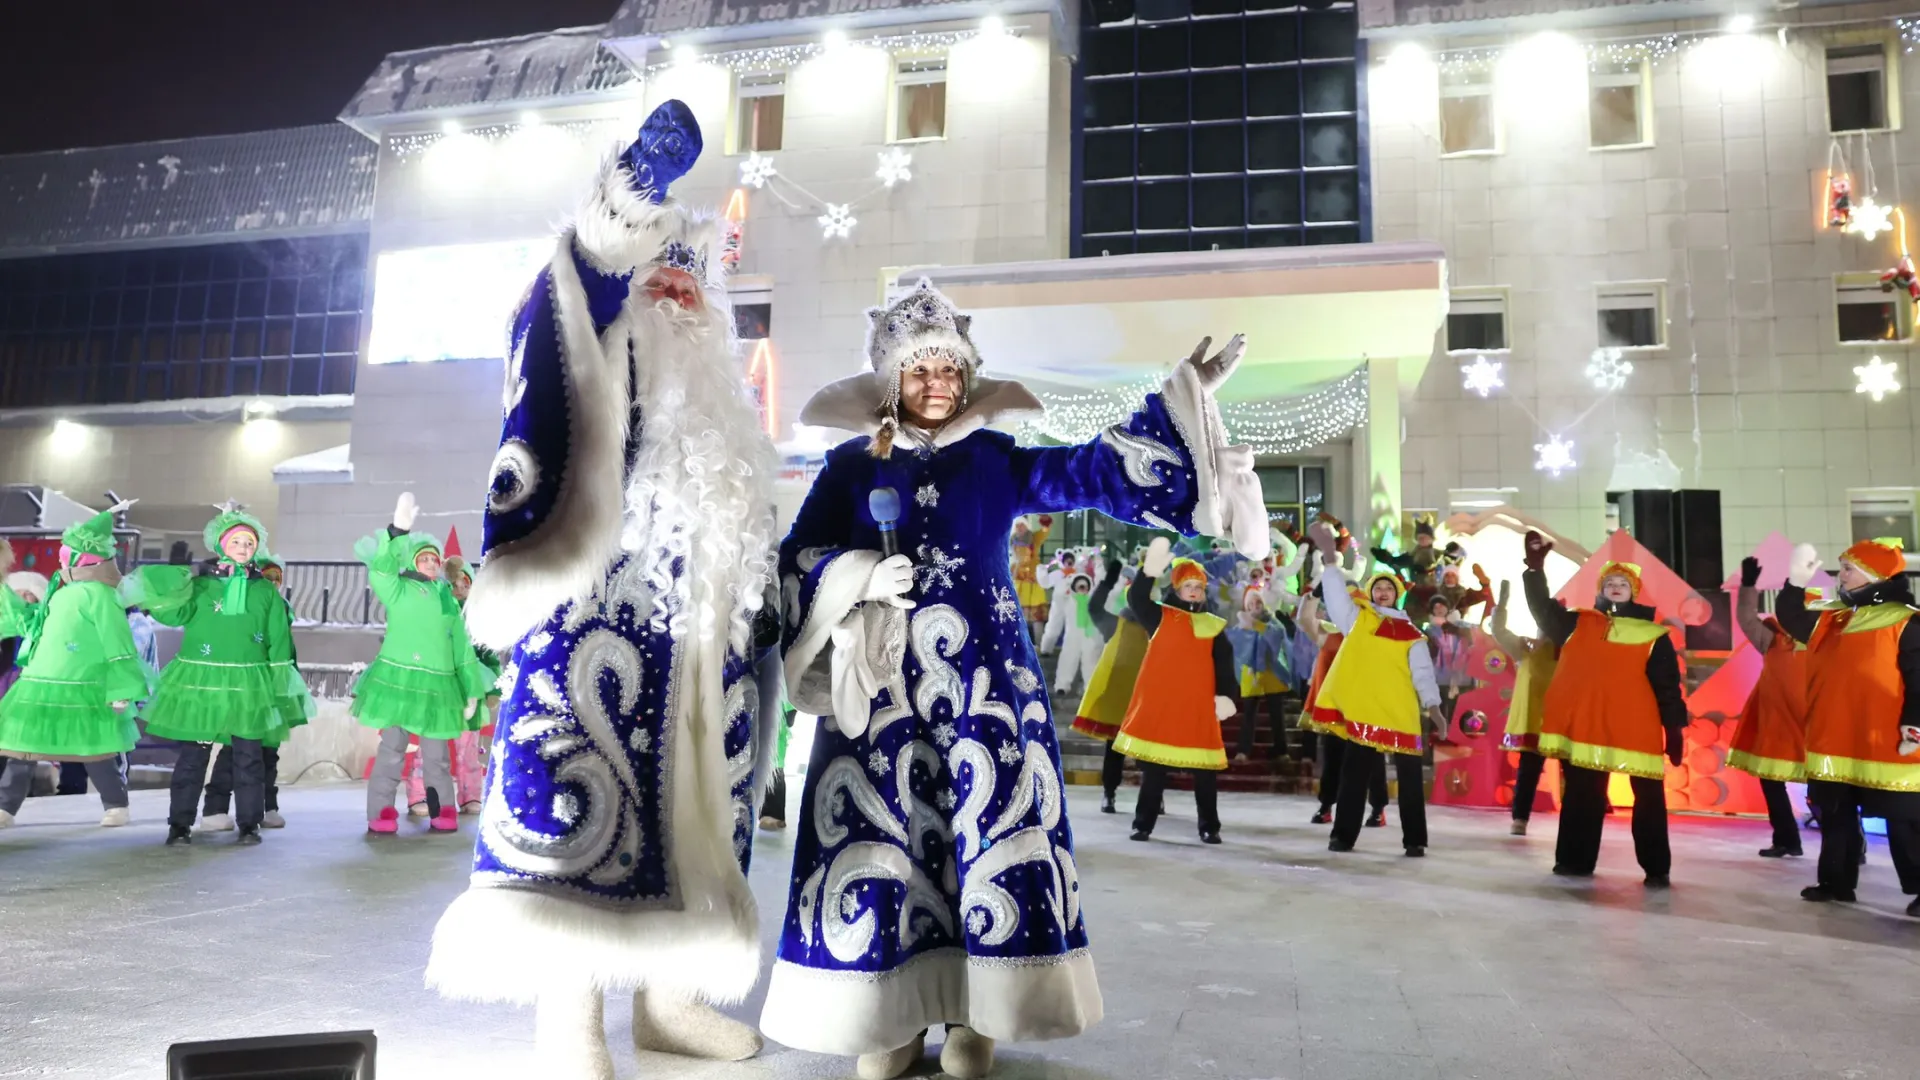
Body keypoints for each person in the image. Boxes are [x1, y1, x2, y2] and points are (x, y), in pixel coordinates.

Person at [765, 277, 1266, 1079]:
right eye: (919, 371)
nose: (936, 386)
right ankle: (887, 1011)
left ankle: (979, 1011)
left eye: (949, 371)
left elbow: (1094, 473)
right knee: (884, 834)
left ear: (967, 377)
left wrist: (1184, 402)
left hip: (986, 687)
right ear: (891, 379)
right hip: (883, 684)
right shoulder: (848, 466)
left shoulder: (995, 458)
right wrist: (858, 576)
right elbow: (795, 559)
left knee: (986, 831)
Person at [424, 100, 786, 1079]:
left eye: (692, 275)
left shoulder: (720, 395)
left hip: (702, 652)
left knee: (699, 824)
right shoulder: (591, 340)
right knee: (574, 816)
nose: (676, 286)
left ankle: (672, 1004)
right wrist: (629, 197)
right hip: (590, 623)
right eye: (659, 264)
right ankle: (568, 1019)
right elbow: (576, 273)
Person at [1521, 531, 1687, 886]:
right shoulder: (1576, 623)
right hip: (1588, 728)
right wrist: (1534, 571)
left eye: (1622, 583)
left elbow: (1668, 688)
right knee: (1583, 795)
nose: (1615, 586)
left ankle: (1657, 868)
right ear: (1599, 590)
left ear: (1634, 591)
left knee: (1648, 799)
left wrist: (1673, 729)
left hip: (1636, 727)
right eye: (1609, 582)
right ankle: (1574, 861)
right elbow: (1542, 609)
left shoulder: (1653, 635)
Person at [132, 506, 303, 846]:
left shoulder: (265, 591)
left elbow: (279, 639)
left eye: (249, 542)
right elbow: (172, 613)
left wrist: (281, 681)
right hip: (202, 682)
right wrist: (179, 575)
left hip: (248, 684)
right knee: (194, 756)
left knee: (248, 756)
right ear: (222, 545)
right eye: (236, 541)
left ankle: (250, 823)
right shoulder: (200, 586)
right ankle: (179, 825)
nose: (243, 546)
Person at [1771, 540, 1920, 914]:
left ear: (1874, 575)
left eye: (1848, 568)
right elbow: (1792, 618)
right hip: (1833, 735)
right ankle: (1835, 882)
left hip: (1885, 737)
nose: (1841, 575)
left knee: (1904, 817)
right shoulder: (1831, 617)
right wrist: (1794, 582)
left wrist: (1915, 727)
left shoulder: (1907, 620)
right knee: (1834, 811)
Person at [351, 494, 491, 835]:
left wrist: (472, 690)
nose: (430, 563)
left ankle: (442, 810)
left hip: (438, 687)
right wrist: (398, 531)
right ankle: (381, 811)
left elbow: (462, 650)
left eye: (435, 559)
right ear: (414, 561)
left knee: (437, 755)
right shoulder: (398, 589)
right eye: (424, 558)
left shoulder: (448, 602)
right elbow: (381, 569)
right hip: (400, 680)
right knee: (392, 749)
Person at [0, 505, 147, 829]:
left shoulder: (101, 595)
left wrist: (121, 686)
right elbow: (35, 625)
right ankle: (6, 807)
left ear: (84, 558)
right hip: (41, 680)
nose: (61, 559)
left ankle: (115, 804)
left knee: (95, 748)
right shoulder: (59, 591)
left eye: (68, 553)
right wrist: (8, 600)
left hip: (84, 682)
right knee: (22, 747)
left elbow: (117, 641)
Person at [1307, 521, 1445, 856]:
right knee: (1354, 777)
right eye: (1378, 588)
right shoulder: (1358, 619)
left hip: (1400, 711)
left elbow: (1423, 672)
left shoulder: (1411, 632)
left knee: (1410, 780)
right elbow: (1337, 596)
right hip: (1365, 710)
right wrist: (1329, 559)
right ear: (1370, 592)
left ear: (1398, 594)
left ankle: (1415, 840)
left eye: (1389, 588)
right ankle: (1343, 836)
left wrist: (1433, 706)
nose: (1382, 592)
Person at [1113, 539, 1237, 844]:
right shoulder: (1160, 617)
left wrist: (1227, 696)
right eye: (1188, 585)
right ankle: (1143, 824)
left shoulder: (1214, 626)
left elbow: (1224, 665)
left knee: (1205, 770)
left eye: (1199, 585)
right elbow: (1137, 598)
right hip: (1164, 705)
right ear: (1177, 589)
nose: (1194, 590)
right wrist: (1149, 571)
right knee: (1154, 771)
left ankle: (1210, 826)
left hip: (1197, 707)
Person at [199, 548, 309, 832]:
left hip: (274, 687)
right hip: (245, 686)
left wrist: (285, 681)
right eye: (266, 575)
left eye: (277, 577)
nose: (272, 582)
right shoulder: (244, 604)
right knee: (235, 749)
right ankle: (215, 808)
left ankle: (266, 806)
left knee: (268, 751)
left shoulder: (279, 605)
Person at [1726, 555, 1809, 859]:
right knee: (1771, 780)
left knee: (1828, 789)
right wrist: (1748, 585)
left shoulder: (1825, 639)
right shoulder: (1772, 638)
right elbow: (1747, 618)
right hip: (1776, 722)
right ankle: (1787, 839)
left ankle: (1853, 846)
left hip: (1814, 725)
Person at [403, 554, 496, 817]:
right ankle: (419, 794)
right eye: (454, 584)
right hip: (440, 687)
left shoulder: (477, 619)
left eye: (465, 583)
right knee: (431, 745)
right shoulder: (436, 613)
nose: (460, 589)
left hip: (470, 691)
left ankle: (470, 797)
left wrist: (493, 689)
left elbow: (488, 654)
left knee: (468, 748)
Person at [1297, 586, 1388, 827]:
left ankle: (1378, 808)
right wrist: (1314, 596)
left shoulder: (1375, 637)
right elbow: (1305, 619)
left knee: (1373, 762)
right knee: (1332, 758)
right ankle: (1326, 805)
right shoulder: (1329, 634)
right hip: (1335, 709)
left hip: (1366, 709)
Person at [1072, 558, 1148, 815]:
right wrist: (1108, 580)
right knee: (1114, 751)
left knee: (1147, 754)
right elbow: (1094, 607)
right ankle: (1109, 794)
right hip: (1118, 699)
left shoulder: (1155, 626)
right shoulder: (1116, 624)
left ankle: (1153, 797)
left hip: (1144, 699)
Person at [1488, 580, 1559, 837]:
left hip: (1565, 721)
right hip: (1534, 721)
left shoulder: (1571, 650)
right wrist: (1502, 604)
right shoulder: (1526, 648)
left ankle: (1587, 814)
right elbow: (1498, 630)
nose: (1545, 631)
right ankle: (1520, 819)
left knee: (1577, 772)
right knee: (1528, 772)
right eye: (1543, 625)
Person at [1227, 580, 1291, 764]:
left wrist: (1256, 625)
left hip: (1273, 674)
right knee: (1248, 714)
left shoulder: (1273, 622)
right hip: (1251, 676)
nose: (1255, 606)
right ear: (1246, 607)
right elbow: (1235, 645)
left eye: (1258, 602)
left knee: (1276, 714)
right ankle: (1243, 751)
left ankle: (1282, 750)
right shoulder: (1241, 625)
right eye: (1251, 604)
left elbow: (1277, 637)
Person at [1042, 569, 1105, 700]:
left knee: (1091, 662)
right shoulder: (1068, 600)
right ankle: (1062, 686)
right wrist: (1066, 583)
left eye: (1085, 586)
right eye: (1079, 586)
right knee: (1067, 660)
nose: (1082, 589)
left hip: (1090, 635)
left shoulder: (1093, 599)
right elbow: (1058, 596)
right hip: (1072, 635)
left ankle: (1090, 687)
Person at [1010, 516, 1053, 641]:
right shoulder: (1012, 539)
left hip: (1033, 579)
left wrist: (1044, 518)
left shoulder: (1034, 538)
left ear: (1027, 526)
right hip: (1018, 578)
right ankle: (1018, 643)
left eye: (1022, 525)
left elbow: (1045, 530)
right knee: (1017, 614)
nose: (1019, 528)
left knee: (1036, 614)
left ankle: (1039, 643)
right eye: (1017, 525)